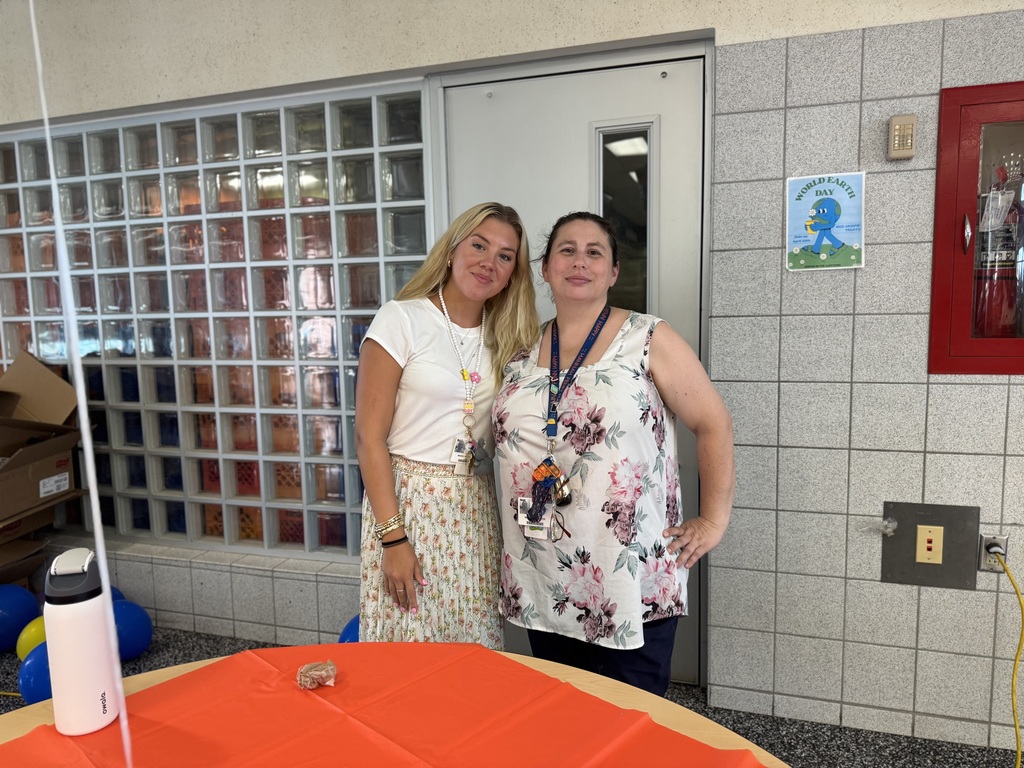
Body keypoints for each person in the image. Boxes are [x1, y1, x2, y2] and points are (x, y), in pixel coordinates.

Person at [492, 211, 735, 694]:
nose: (579, 262)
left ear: (614, 271)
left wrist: (714, 519)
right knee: (565, 716)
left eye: (594, 252)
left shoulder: (647, 339)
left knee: (634, 723)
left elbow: (713, 424)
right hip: (546, 572)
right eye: (566, 250)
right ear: (544, 268)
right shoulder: (519, 347)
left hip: (630, 574)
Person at [356, 202, 539, 648]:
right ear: (453, 249)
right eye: (479, 245)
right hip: (407, 503)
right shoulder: (403, 318)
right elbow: (368, 437)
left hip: (473, 507)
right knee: (405, 646)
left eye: (504, 255)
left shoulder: (510, 336)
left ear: (514, 272)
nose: (488, 262)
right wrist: (393, 538)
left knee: (472, 648)